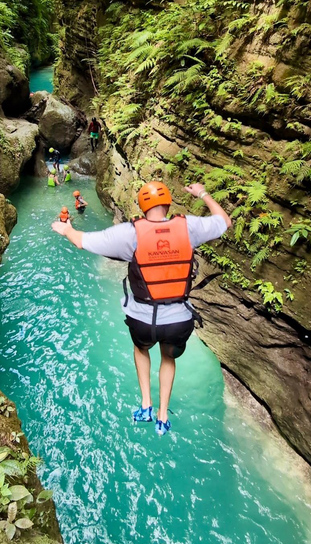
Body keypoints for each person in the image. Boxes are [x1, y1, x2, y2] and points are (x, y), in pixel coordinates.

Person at [51, 180, 231, 436]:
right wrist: (203, 192)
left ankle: (146, 404)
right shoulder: (189, 227)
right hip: (178, 320)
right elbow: (224, 221)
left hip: (143, 321)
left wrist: (65, 228)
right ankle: (163, 414)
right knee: (168, 357)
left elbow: (82, 241)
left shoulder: (129, 233)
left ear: (142, 206)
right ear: (168, 204)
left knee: (141, 349)